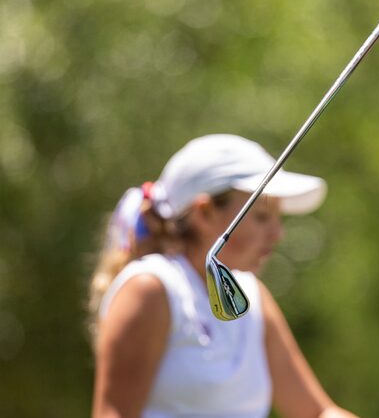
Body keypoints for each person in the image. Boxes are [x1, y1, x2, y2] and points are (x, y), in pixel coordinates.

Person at [88, 134, 358, 418]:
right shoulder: (150, 288)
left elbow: (317, 412)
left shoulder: (250, 295)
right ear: (204, 213)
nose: (278, 234)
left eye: (278, 219)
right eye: (262, 217)